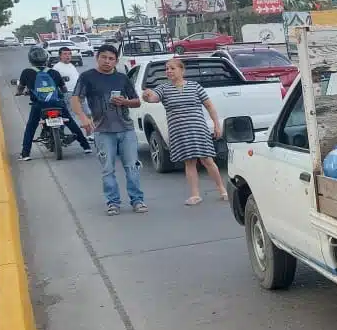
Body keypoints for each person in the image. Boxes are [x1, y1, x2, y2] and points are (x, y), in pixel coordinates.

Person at [71, 44, 147, 216]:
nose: (107, 61)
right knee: (108, 169)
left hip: (126, 129)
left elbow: (136, 101)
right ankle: (113, 203)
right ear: (97, 57)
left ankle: (137, 200)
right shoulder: (87, 77)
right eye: (104, 57)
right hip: (102, 130)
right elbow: (76, 98)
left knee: (132, 167)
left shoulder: (122, 78)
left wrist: (125, 102)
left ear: (116, 61)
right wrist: (83, 118)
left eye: (111, 58)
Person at [140, 57, 227, 206]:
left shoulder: (195, 86)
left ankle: (222, 189)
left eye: (172, 68)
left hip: (198, 129)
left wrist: (217, 125)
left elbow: (209, 106)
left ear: (182, 70)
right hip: (179, 131)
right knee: (190, 162)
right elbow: (153, 98)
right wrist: (146, 95)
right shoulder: (163, 88)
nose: (169, 71)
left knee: (207, 160)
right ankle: (195, 195)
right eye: (167, 69)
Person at [16, 46, 90, 161]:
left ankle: (25, 154)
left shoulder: (27, 72)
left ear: (30, 60)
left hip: (39, 105)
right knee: (71, 123)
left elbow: (20, 87)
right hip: (57, 104)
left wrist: (19, 93)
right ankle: (86, 146)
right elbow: (64, 89)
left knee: (31, 127)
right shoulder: (54, 72)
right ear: (46, 59)